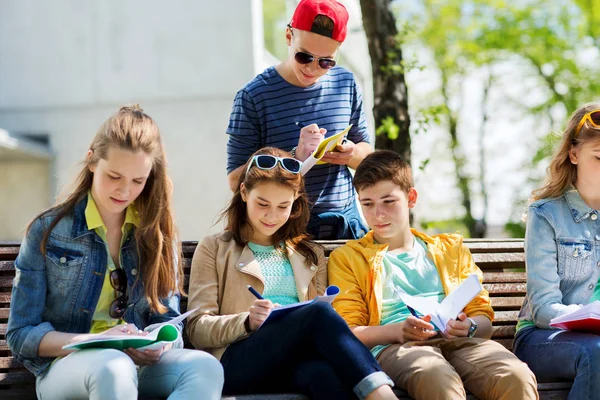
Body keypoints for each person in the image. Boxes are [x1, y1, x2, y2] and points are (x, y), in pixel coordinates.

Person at [7, 105, 224, 400]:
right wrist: (98, 341)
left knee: (206, 368)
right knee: (114, 366)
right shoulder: (48, 230)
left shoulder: (158, 234)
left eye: (138, 181)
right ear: (92, 161)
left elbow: (168, 322)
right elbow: (21, 334)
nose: (124, 190)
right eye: (114, 176)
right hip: (66, 368)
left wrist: (154, 344)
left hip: (136, 366)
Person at [186, 147, 395, 400]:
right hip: (237, 361)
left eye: (283, 206)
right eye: (262, 204)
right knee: (316, 313)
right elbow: (197, 328)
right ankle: (384, 396)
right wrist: (247, 322)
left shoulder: (309, 254)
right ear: (244, 193)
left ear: (295, 200)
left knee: (322, 376)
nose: (272, 216)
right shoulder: (215, 247)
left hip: (295, 360)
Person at [328, 150, 539, 400]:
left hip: (459, 342)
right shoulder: (349, 258)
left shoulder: (449, 249)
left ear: (411, 198)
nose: (378, 214)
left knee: (516, 375)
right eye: (368, 204)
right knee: (436, 376)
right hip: (396, 347)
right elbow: (350, 331)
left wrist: (469, 327)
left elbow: (482, 321)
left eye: (388, 201)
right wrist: (398, 331)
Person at [226, 0, 371, 239]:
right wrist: (294, 159)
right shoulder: (253, 96)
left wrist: (351, 154)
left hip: (346, 226)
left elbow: (366, 153)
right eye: (304, 56)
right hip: (284, 230)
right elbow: (235, 180)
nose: (313, 68)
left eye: (326, 61)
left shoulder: (345, 83)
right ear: (288, 36)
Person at [513, 103, 600, 398]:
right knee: (597, 353)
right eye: (599, 157)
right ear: (574, 154)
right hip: (543, 337)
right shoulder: (546, 214)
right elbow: (544, 308)